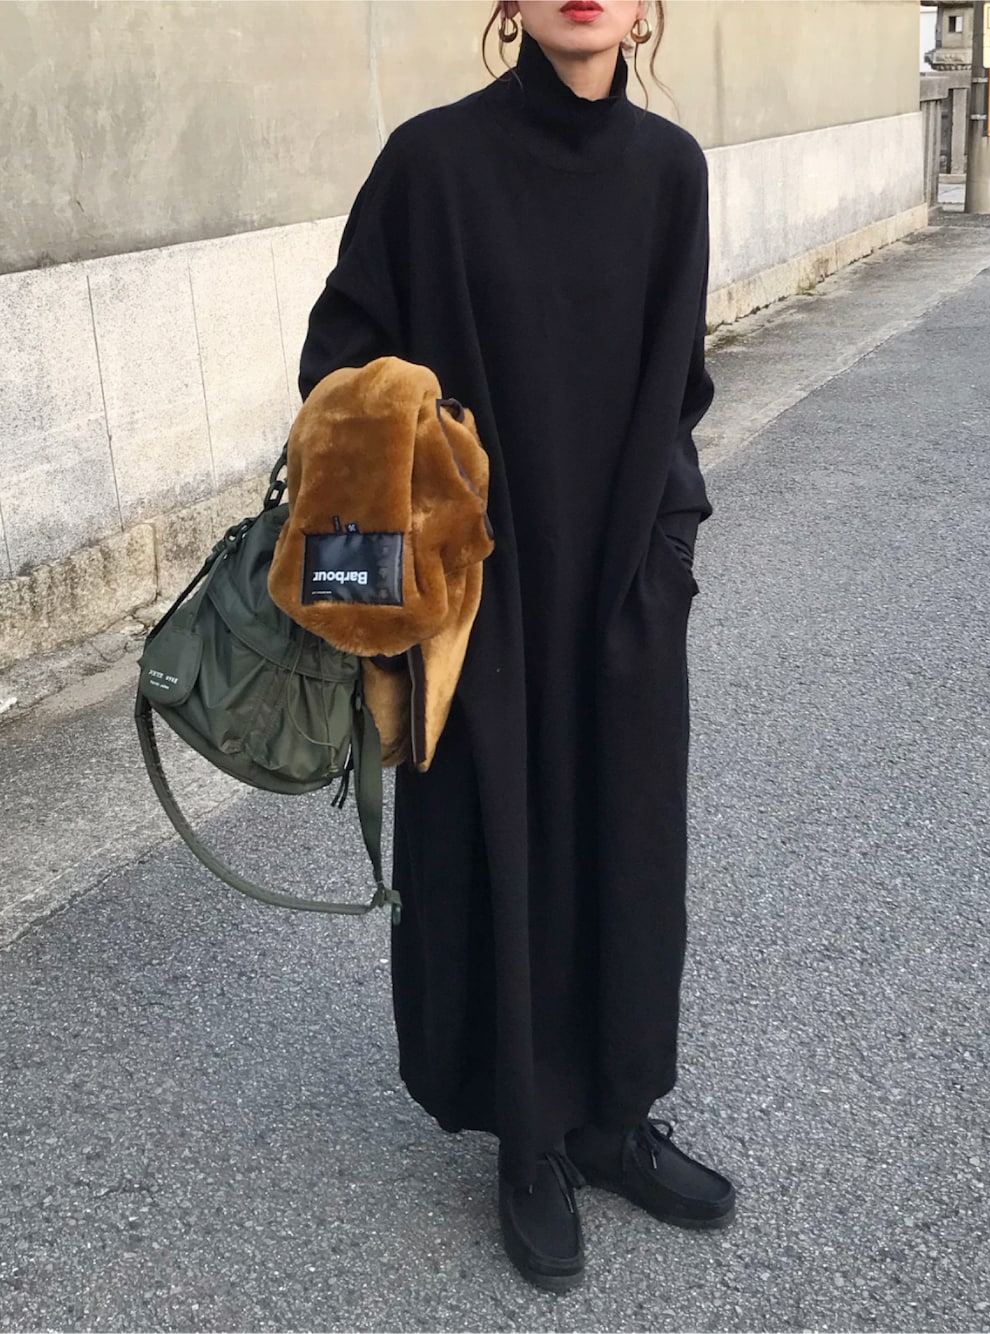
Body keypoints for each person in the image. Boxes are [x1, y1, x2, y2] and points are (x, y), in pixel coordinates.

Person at [298, 0, 735, 1293]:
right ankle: (527, 1139)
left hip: (624, 580)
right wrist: (415, 468)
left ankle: (612, 1118)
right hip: (476, 597)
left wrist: (668, 551)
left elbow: (681, 387)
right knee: (500, 847)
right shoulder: (433, 166)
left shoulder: (673, 174)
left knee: (629, 844)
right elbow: (338, 359)